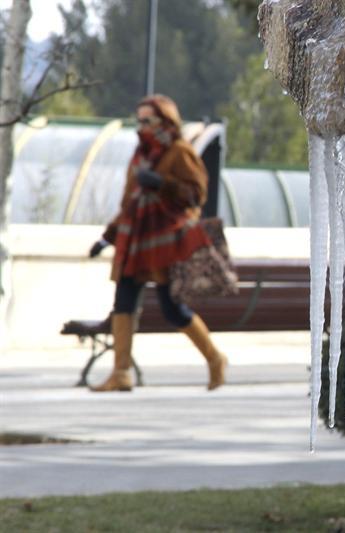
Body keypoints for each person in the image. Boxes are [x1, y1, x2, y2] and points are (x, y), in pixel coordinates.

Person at [88, 94, 227, 392]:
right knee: (123, 303)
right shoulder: (139, 155)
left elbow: (197, 194)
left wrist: (162, 184)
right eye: (138, 120)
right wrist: (106, 237)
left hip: (164, 243)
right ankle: (121, 373)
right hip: (135, 240)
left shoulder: (179, 151)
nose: (141, 126)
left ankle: (215, 358)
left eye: (147, 120)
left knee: (172, 308)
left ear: (165, 121)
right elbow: (129, 204)